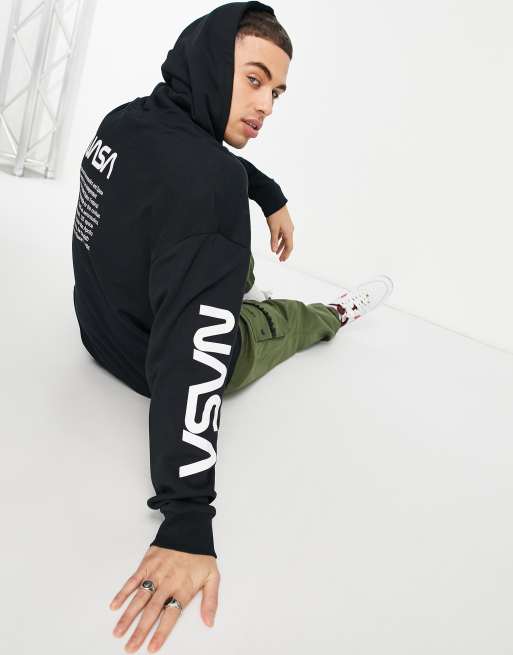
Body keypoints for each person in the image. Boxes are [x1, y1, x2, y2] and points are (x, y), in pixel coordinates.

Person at [71, 1, 393, 651]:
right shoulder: (212, 181)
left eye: (277, 92)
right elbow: (194, 362)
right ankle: (328, 315)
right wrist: (187, 518)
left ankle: (226, 281)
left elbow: (192, 163)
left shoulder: (126, 120)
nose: (266, 105)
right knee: (277, 320)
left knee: (216, 247)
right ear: (213, 65)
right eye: (253, 80)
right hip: (161, 359)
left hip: (101, 331)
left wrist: (265, 192)